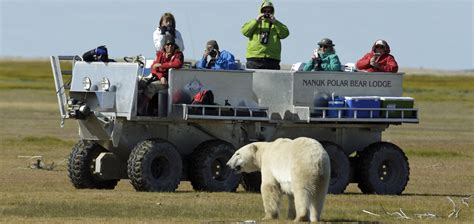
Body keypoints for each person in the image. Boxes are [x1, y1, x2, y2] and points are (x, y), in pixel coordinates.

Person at [138, 35, 184, 115]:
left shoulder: (178, 54)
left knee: (152, 86)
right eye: (167, 45)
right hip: (158, 78)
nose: (170, 47)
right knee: (139, 83)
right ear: (164, 46)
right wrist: (161, 76)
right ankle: (131, 107)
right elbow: (153, 68)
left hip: (169, 81)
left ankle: (140, 109)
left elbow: (177, 64)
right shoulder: (160, 54)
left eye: (171, 45)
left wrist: (162, 65)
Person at [241, 0, 289, 70]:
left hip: (272, 59)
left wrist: (275, 22)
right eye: (264, 11)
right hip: (254, 59)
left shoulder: (276, 24)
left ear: (272, 12)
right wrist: (256, 21)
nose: (266, 13)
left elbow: (285, 34)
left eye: (269, 11)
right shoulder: (255, 23)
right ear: (261, 11)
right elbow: (245, 32)